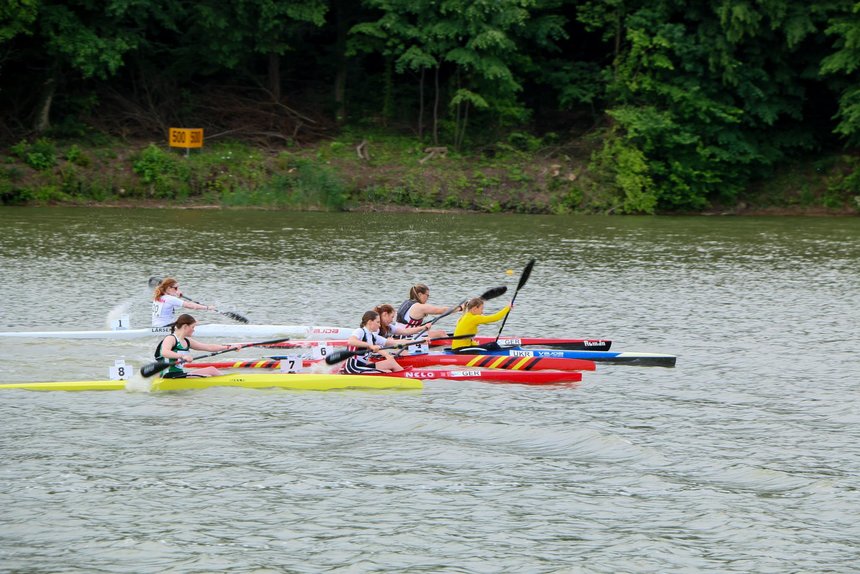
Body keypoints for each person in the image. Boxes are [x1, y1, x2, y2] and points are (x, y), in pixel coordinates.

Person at [154, 314, 239, 378]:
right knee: (211, 370)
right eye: (193, 327)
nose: (194, 330)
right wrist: (183, 356)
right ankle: (230, 381)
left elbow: (208, 347)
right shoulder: (170, 338)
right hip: (169, 376)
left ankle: (227, 380)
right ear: (185, 326)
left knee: (210, 371)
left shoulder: (187, 341)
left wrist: (228, 347)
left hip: (178, 374)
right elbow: (164, 352)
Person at [342, 310, 408, 374]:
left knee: (391, 363)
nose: (379, 325)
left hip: (362, 365)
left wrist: (387, 356)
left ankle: (406, 375)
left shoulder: (373, 336)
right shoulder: (360, 331)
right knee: (387, 372)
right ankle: (405, 378)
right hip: (353, 367)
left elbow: (388, 343)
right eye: (377, 322)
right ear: (370, 322)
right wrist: (370, 346)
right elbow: (351, 341)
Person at [394, 284, 459, 339]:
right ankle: (453, 349)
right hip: (405, 337)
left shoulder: (406, 303)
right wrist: (460, 308)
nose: (428, 297)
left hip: (397, 335)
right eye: (427, 295)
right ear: (419, 294)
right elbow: (442, 310)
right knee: (441, 333)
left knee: (437, 333)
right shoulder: (419, 306)